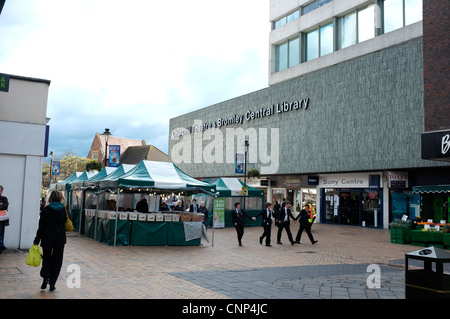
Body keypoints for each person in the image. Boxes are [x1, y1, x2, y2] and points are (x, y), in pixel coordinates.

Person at [33, 190, 67, 291]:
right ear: (60, 197)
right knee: (57, 260)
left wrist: (36, 240)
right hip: (60, 238)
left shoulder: (46, 209)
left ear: (51, 197)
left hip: (47, 237)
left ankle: (45, 277)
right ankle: (52, 283)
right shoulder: (63, 209)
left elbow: (41, 226)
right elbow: (66, 222)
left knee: (47, 258)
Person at [0, 185, 9, 254]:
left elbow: (5, 206)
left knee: (1, 234)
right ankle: (2, 246)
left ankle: (1, 247)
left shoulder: (4, 198)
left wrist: (2, 206)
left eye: (0, 190)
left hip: (2, 220)